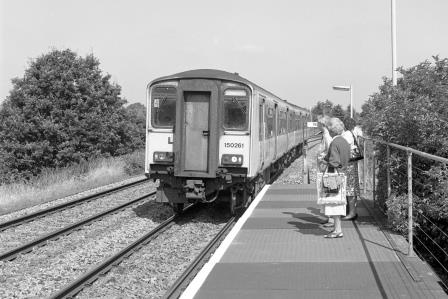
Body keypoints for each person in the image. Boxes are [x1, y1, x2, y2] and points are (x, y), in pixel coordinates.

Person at [320, 117, 350, 238]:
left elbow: (334, 160)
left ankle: (337, 230)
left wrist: (324, 162)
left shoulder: (334, 142)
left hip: (333, 174)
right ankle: (336, 229)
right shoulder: (344, 141)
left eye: (329, 127)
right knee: (339, 201)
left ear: (332, 130)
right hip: (342, 173)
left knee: (334, 202)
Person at [341, 118, 361, 221]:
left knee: (350, 188)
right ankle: (352, 211)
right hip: (351, 164)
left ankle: (352, 213)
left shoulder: (347, 134)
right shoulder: (352, 133)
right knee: (351, 187)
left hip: (349, 164)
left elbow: (346, 148)